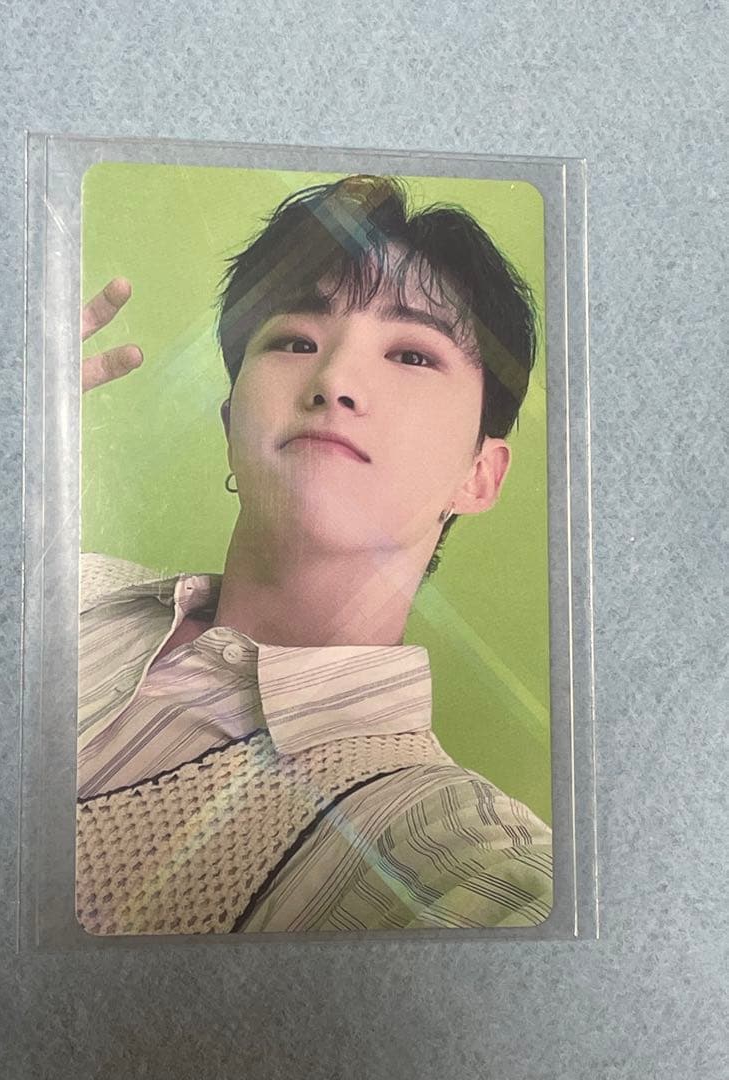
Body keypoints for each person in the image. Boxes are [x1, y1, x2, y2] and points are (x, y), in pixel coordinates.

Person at [76, 175, 552, 935]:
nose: (334, 382)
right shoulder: (52, 587)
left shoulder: (449, 840)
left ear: (479, 475)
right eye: (296, 342)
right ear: (230, 426)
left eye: (412, 354)